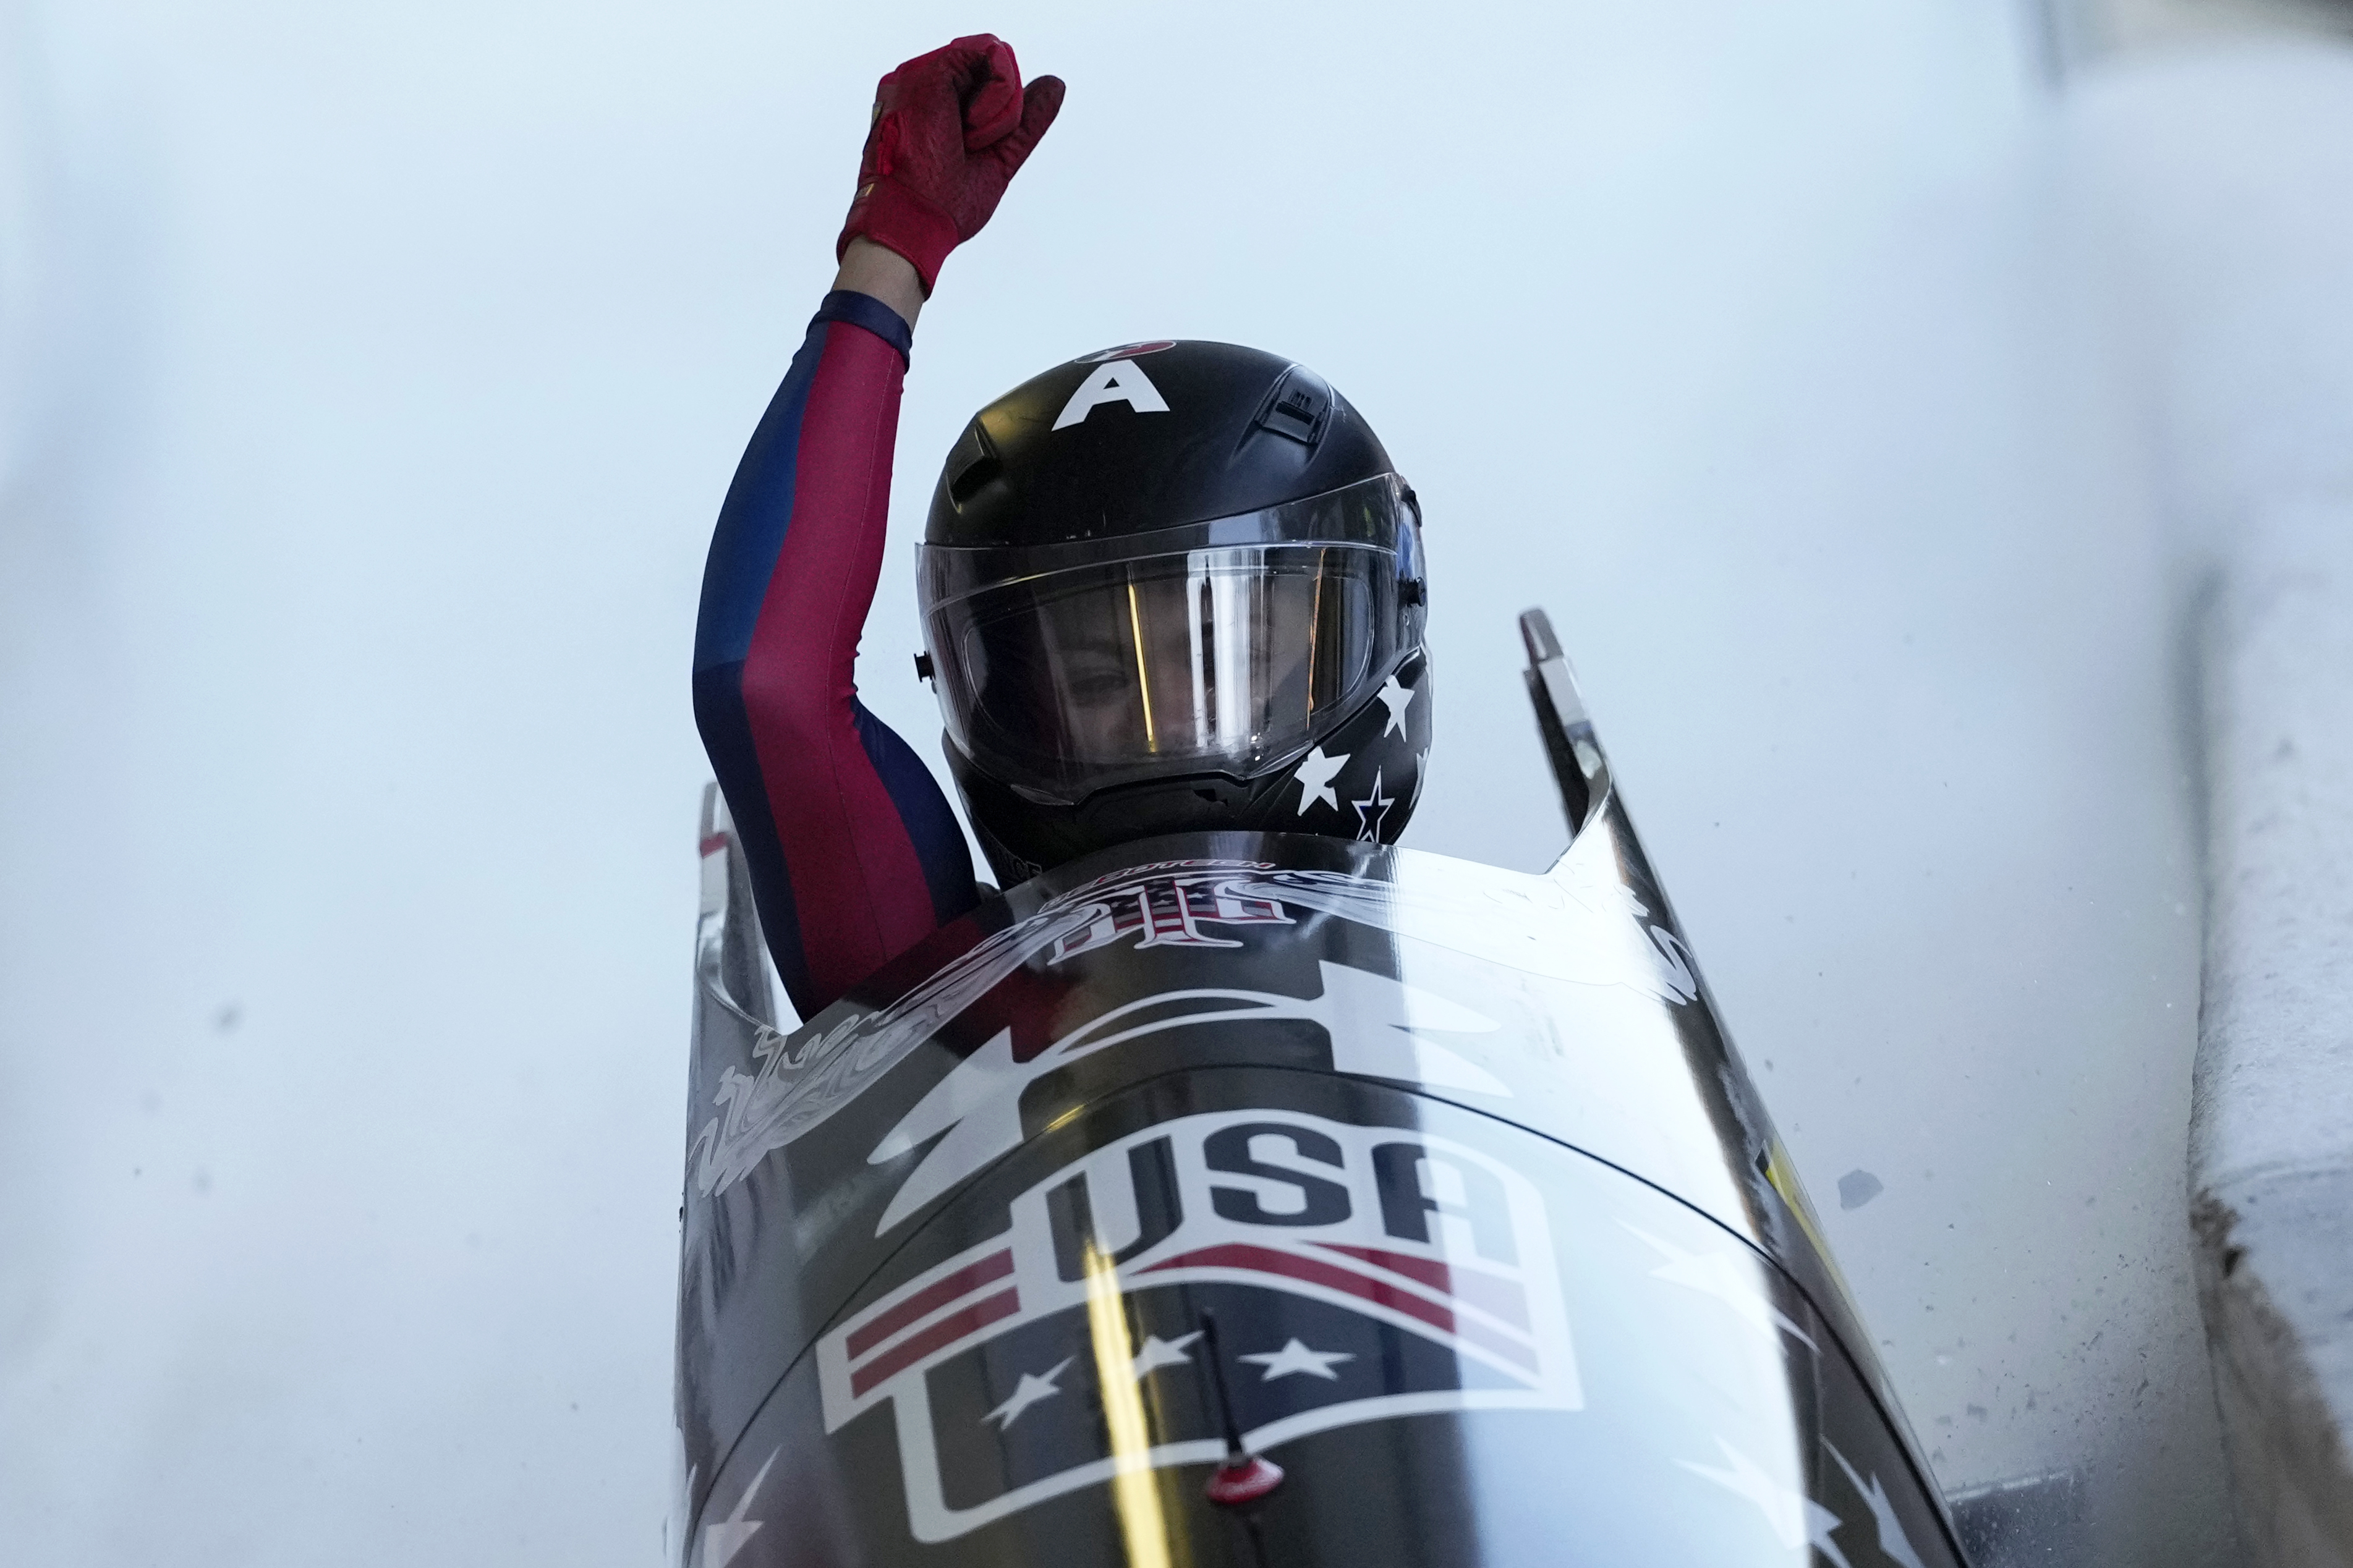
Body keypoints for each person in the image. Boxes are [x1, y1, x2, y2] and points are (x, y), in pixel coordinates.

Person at [693, 36, 1432, 1021]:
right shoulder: (956, 1002)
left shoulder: (1544, 995)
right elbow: (767, 686)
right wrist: (894, 247)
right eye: (1095, 679)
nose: (1169, 716)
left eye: (1232, 648)